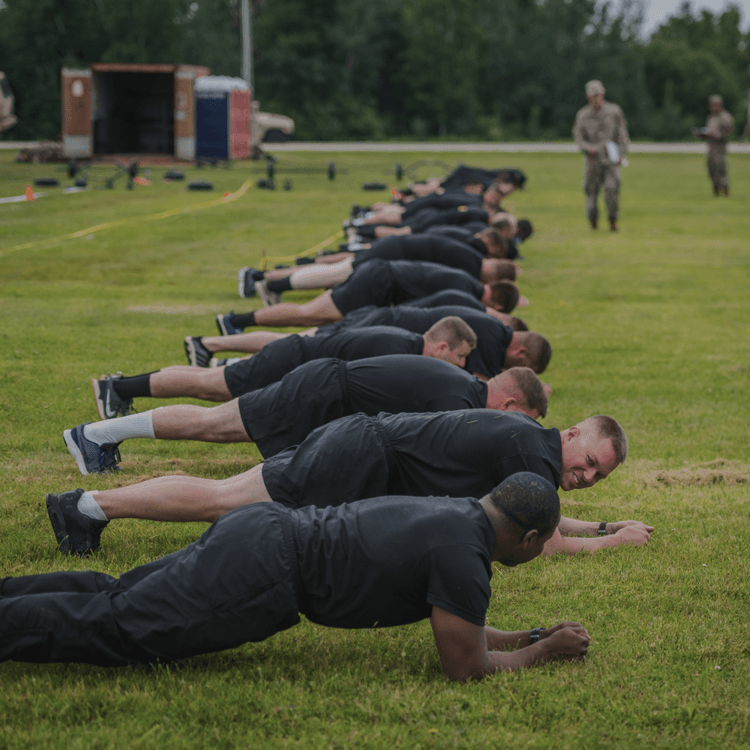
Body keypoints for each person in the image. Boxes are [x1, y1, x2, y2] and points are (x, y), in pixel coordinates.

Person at [7, 474, 594, 675]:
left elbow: (462, 625)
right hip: (265, 571)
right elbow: (465, 667)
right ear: (532, 539)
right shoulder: (467, 561)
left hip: (263, 529)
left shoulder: (457, 516)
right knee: (123, 627)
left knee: (118, 593)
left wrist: (531, 637)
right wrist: (543, 657)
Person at [48, 411, 651, 559]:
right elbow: (535, 539)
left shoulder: (531, 445)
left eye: (599, 476)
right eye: (590, 460)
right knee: (222, 500)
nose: (587, 476)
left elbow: (535, 518)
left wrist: (601, 523)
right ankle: (86, 507)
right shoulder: (535, 456)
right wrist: (610, 544)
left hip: (358, 446)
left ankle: (90, 507)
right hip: (358, 456)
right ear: (572, 435)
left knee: (226, 496)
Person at [65, 358, 550, 475]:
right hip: (319, 393)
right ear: (509, 405)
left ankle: (100, 435)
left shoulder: (461, 383)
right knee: (212, 424)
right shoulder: (461, 401)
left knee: (216, 426)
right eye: (518, 421)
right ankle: (95, 436)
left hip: (323, 390)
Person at [94, 317, 477, 417]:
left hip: (294, 358)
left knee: (209, 382)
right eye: (460, 357)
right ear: (442, 345)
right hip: (290, 361)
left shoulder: (404, 340)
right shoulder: (398, 346)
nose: (460, 366)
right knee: (210, 386)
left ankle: (122, 388)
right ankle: (119, 389)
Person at [216, 259, 523, 333]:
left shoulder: (466, 282)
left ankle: (243, 315)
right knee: (310, 315)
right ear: (495, 303)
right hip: (378, 282)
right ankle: (234, 321)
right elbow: (418, 308)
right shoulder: (465, 292)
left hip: (380, 277)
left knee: (313, 314)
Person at [243, 235, 516, 305]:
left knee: (337, 270)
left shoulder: (471, 256)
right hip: (393, 255)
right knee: (336, 274)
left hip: (395, 250)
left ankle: (266, 279)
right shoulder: (471, 265)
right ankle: (271, 284)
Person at [573, 79, 630, 232]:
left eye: (599, 95)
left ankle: (612, 221)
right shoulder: (583, 115)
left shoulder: (614, 111)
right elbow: (578, 138)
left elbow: (622, 135)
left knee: (612, 190)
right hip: (592, 161)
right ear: (588, 97)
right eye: (594, 96)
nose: (597, 98)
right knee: (591, 194)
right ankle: (593, 224)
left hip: (611, 159)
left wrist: (621, 154)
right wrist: (588, 148)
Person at [693, 94, 734, 196]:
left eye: (714, 104)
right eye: (711, 105)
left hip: (720, 147)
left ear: (720, 105)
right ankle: (716, 190)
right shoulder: (711, 117)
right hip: (711, 147)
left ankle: (725, 191)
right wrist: (701, 134)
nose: (712, 107)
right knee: (711, 168)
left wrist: (715, 134)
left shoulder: (726, 117)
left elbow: (727, 133)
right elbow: (708, 131)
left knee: (720, 169)